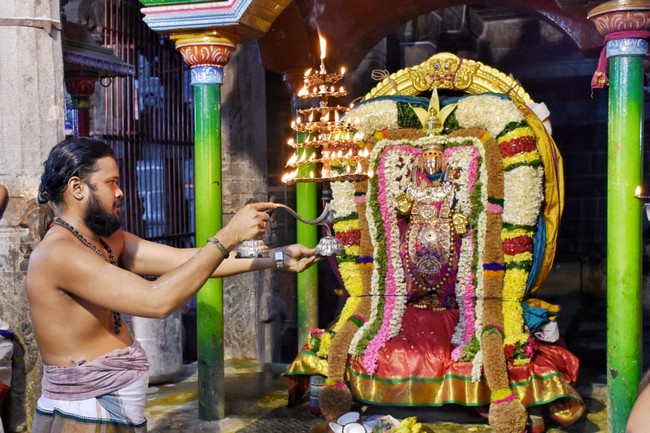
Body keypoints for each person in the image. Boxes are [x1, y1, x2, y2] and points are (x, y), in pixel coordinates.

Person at [27, 136, 319, 432]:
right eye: (111, 183)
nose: (120, 192)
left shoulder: (105, 241)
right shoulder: (60, 253)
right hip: (81, 415)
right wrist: (229, 234)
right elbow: (156, 301)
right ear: (77, 188)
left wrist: (278, 257)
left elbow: (189, 260)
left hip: (114, 409)